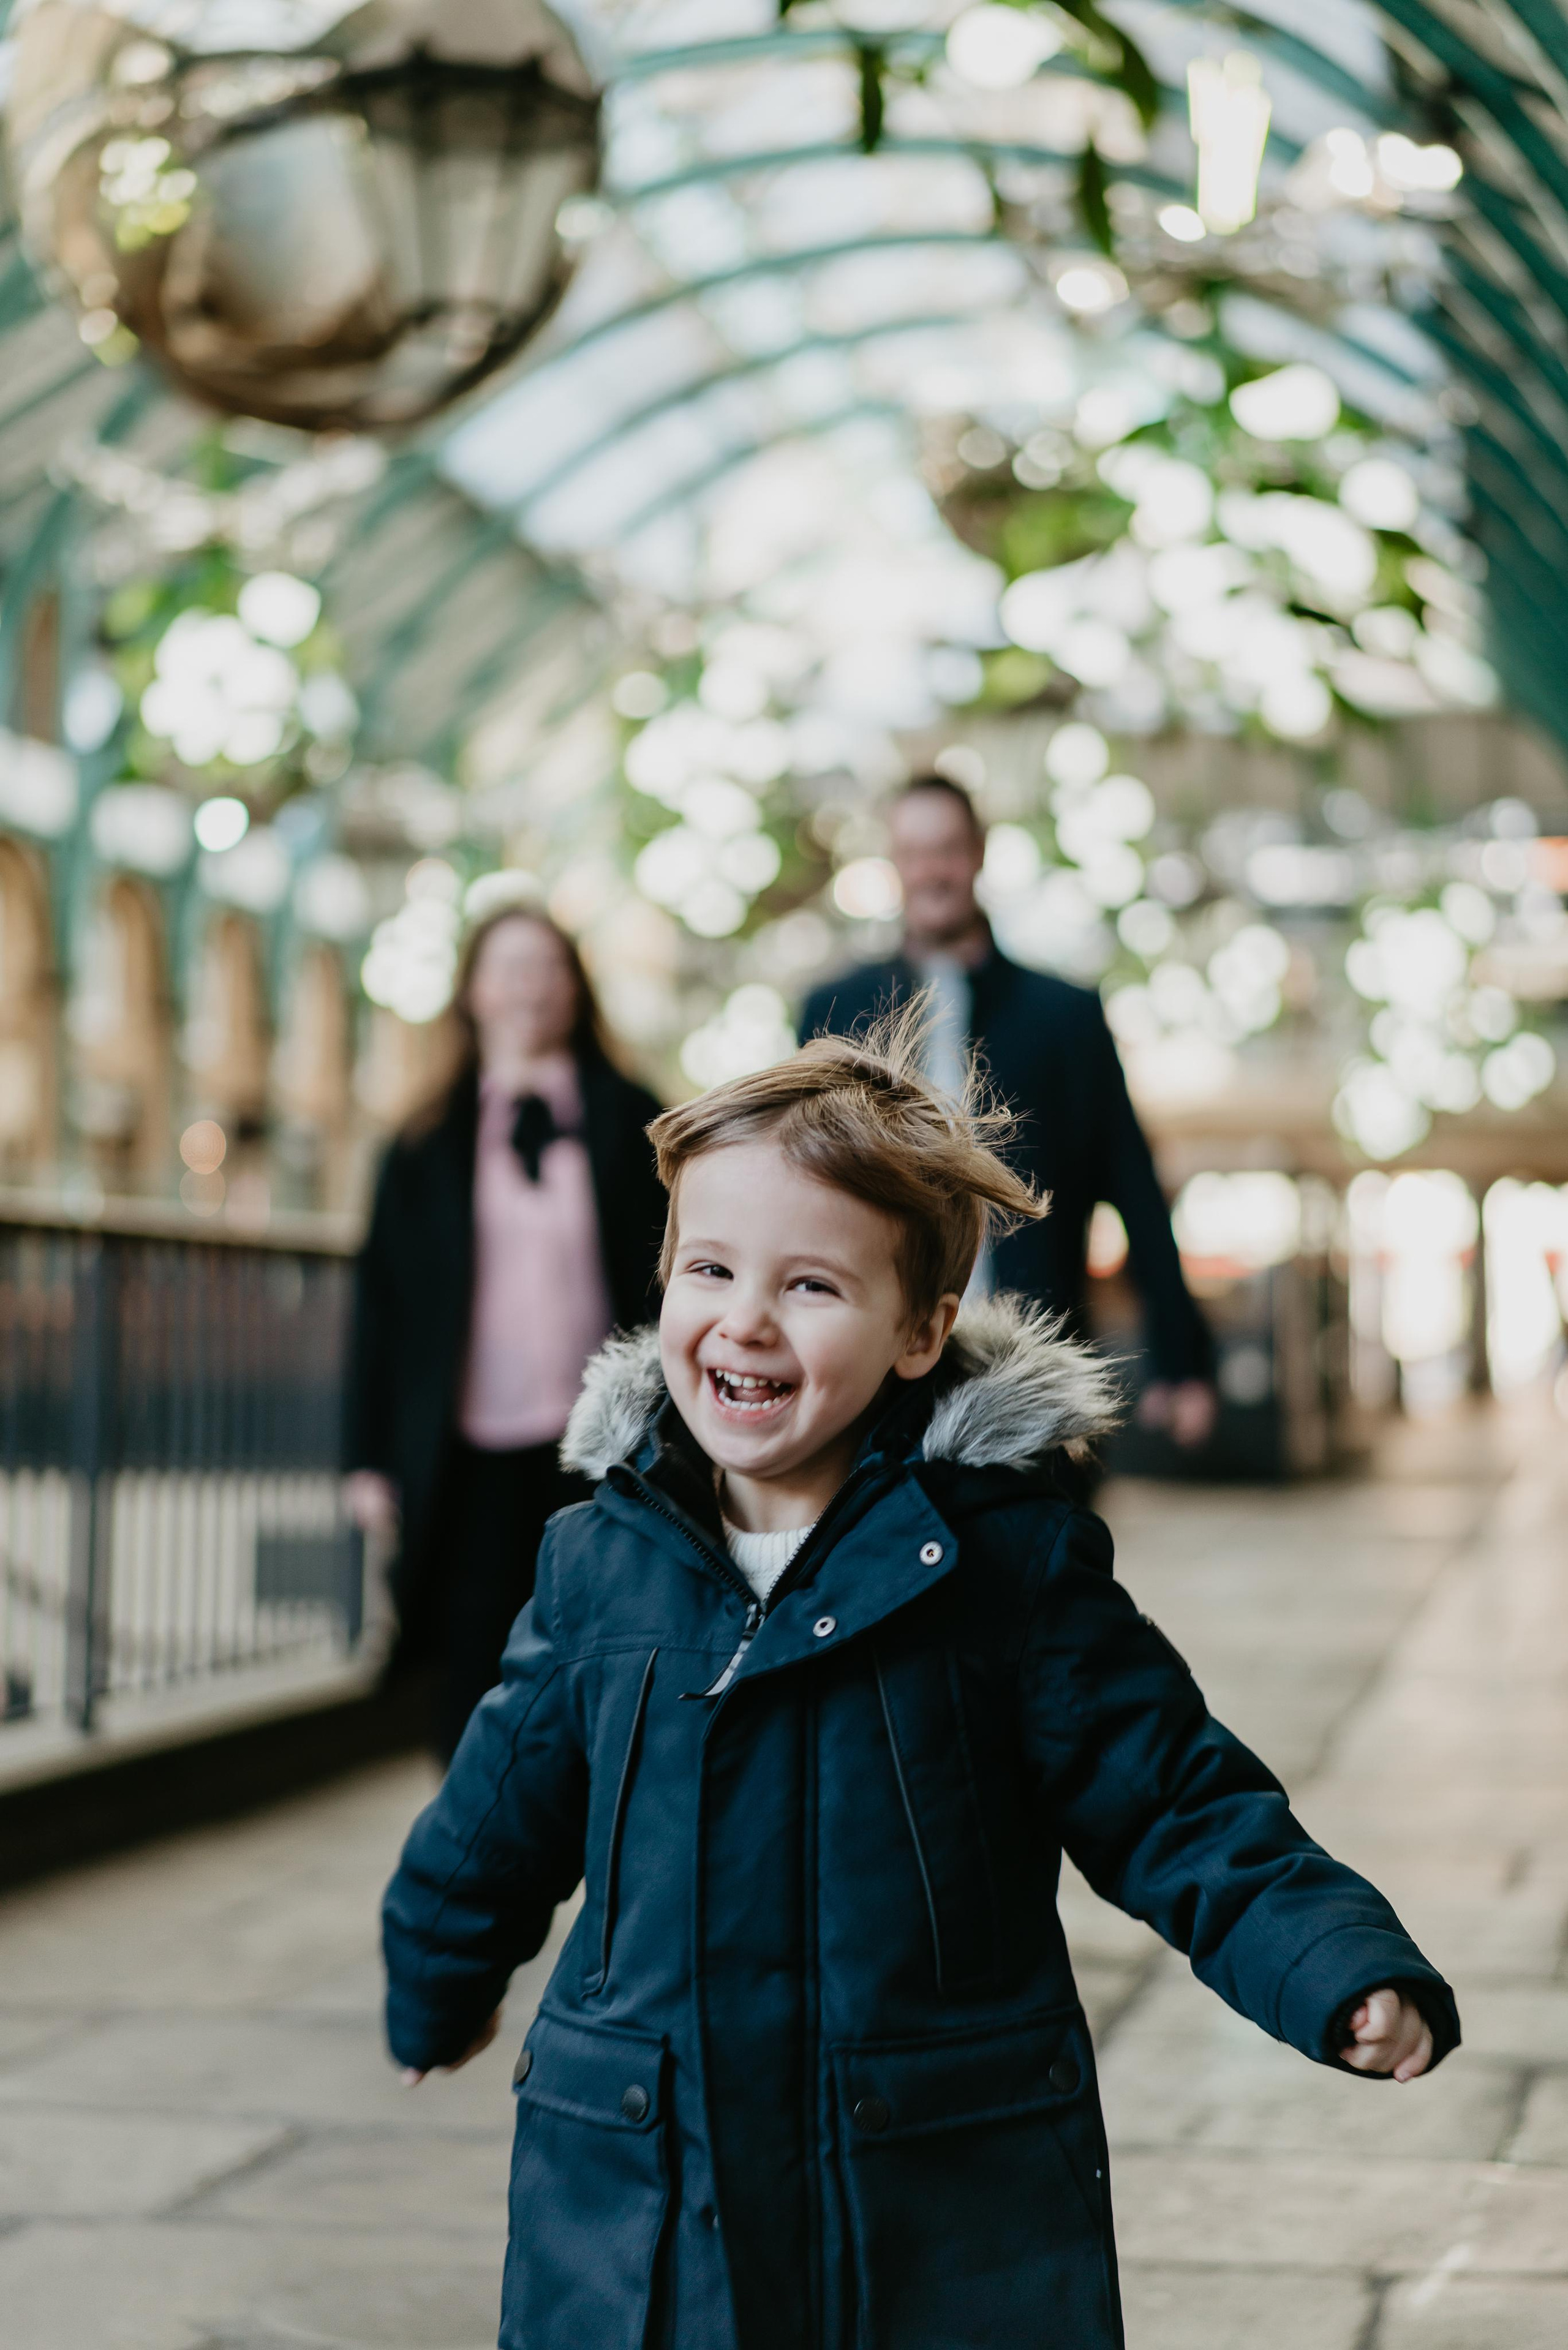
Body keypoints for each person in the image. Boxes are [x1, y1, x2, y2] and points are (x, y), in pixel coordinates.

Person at [380, 1012, 1458, 2350]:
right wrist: (437, 1975)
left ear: (918, 1328)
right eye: (707, 1269)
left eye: (810, 1286)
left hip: (930, 2197)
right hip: (650, 2201)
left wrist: (1327, 1959)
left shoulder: (1001, 1568)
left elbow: (1173, 1795)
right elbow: (496, 1813)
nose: (744, 1321)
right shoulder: (600, 1564)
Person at [802, 772, 1217, 1449]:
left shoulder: (1065, 1017)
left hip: (1030, 1367)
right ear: (893, 865)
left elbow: (1132, 1184)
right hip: (874, 1368)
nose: (932, 871)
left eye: (948, 850)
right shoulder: (832, 1012)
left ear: (979, 855)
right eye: (914, 852)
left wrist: (1183, 1360)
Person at [342, 902, 665, 1760]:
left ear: (576, 989)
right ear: (472, 992)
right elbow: (381, 1306)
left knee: (601, 1646)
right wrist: (367, 1458)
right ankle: (474, 1844)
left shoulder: (637, 1120)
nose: (530, 987)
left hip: (601, 1446)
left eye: (549, 967)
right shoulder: (424, 1142)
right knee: (471, 1654)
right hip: (468, 1443)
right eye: (509, 967)